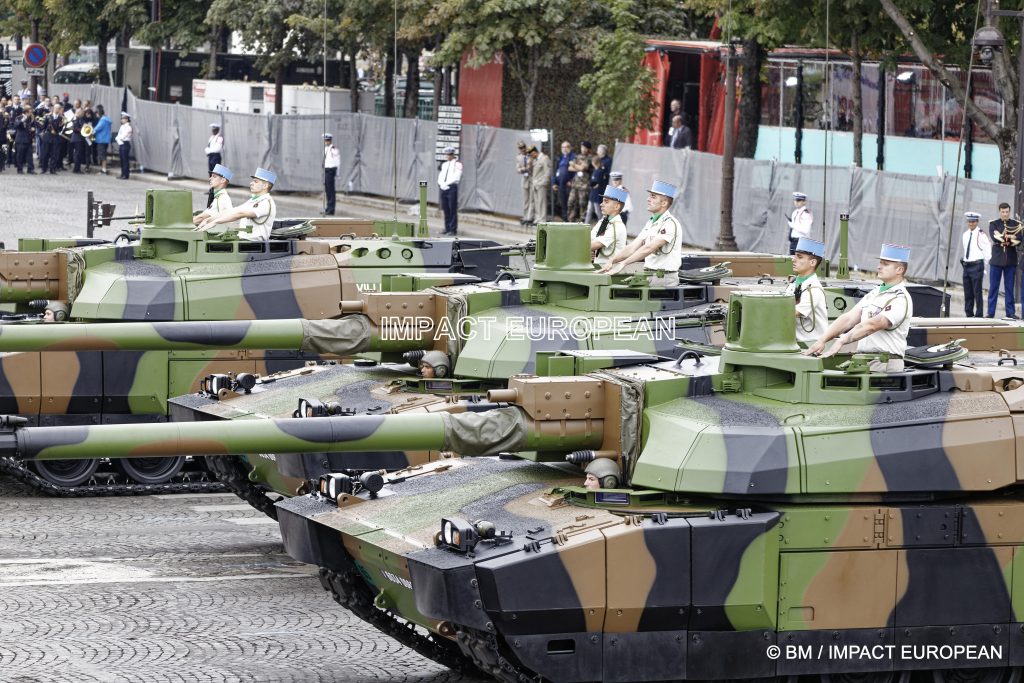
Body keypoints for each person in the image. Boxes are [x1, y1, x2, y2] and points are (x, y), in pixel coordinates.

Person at [804, 244, 913, 372]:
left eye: (885, 264)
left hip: (885, 363)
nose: (879, 266)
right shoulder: (876, 292)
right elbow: (849, 318)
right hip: (866, 361)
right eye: (880, 263)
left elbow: (872, 325)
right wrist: (822, 340)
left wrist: (842, 340)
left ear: (899, 270)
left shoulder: (900, 298)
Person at [598, 180, 682, 286]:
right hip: (651, 275)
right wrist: (612, 261)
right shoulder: (651, 222)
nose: (648, 199)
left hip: (664, 278)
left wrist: (624, 263)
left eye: (653, 196)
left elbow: (649, 248)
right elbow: (633, 246)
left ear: (664, 203)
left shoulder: (670, 224)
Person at [194, 167, 277, 241]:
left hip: (252, 243)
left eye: (255, 182)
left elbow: (240, 214)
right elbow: (232, 211)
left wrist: (215, 222)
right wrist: (208, 220)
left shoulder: (266, 202)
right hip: (244, 241)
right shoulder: (253, 200)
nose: (251, 183)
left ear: (265, 185)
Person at [785, 236, 828, 344]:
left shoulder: (814, 289)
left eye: (799, 257)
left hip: (811, 344)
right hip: (797, 342)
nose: (793, 259)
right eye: (795, 256)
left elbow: (794, 312)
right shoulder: (794, 283)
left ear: (812, 262)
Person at [988, 202, 1020, 318]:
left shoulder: (1016, 224)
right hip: (996, 260)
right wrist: (1011, 238)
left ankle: (1010, 313)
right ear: (999, 212)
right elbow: (994, 238)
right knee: (993, 288)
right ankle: (990, 312)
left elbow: (1019, 240)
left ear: (1009, 212)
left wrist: (1006, 238)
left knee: (1009, 288)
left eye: (1007, 212)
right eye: (1003, 212)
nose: (1005, 214)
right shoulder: (994, 224)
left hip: (1010, 260)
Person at [590, 185, 628, 267]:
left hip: (610, 271)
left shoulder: (617, 227)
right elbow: (589, 239)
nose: (601, 204)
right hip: (599, 268)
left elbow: (594, 245)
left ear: (616, 206)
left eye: (606, 201)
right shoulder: (603, 221)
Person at [437, 146, 462, 235]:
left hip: (451, 188)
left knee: (452, 209)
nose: (448, 156)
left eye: (450, 154)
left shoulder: (457, 164)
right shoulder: (444, 164)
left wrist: (446, 184)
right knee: (446, 209)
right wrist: (441, 184)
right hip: (443, 188)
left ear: (453, 154)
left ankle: (452, 229)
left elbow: (456, 176)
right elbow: (441, 175)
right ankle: (447, 228)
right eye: (447, 154)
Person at [567, 141, 593, 223]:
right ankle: (571, 220)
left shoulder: (590, 157)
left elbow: (583, 168)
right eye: (582, 147)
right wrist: (578, 166)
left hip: (584, 185)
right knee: (571, 202)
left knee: (582, 204)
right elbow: (569, 168)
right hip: (575, 184)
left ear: (588, 149)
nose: (583, 149)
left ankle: (582, 221)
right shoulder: (577, 156)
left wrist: (574, 165)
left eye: (585, 148)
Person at [587, 144, 612, 223]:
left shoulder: (608, 161)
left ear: (602, 151)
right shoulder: (596, 163)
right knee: (590, 209)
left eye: (598, 150)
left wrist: (602, 176)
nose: (597, 152)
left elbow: (607, 174)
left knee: (599, 208)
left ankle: (602, 224)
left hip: (601, 188)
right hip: (594, 190)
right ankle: (586, 223)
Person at [527, 145, 551, 226]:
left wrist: (543, 183)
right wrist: (529, 163)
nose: (531, 156)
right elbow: (532, 172)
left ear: (534, 152)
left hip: (541, 184)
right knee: (537, 202)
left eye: (531, 154)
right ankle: (537, 219)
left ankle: (542, 219)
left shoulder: (544, 158)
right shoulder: (535, 160)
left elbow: (547, 172)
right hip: (535, 184)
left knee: (542, 202)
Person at [552, 140, 574, 221]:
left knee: (570, 203)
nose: (564, 149)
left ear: (570, 148)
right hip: (560, 185)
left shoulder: (573, 157)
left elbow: (575, 171)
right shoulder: (560, 158)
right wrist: (554, 183)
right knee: (562, 203)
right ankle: (565, 219)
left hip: (568, 185)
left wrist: (572, 181)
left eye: (566, 147)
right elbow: (555, 171)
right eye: (563, 147)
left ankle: (570, 219)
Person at [515, 140, 533, 225]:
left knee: (532, 199)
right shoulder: (518, 157)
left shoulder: (530, 154)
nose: (522, 149)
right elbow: (517, 169)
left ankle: (531, 217)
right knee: (525, 200)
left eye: (523, 147)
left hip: (532, 178)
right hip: (525, 179)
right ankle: (526, 216)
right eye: (520, 148)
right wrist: (522, 169)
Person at [323, 133, 340, 215]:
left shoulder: (334, 149)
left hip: (331, 170)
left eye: (327, 140)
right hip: (326, 170)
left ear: (330, 140)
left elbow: (337, 162)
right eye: (325, 140)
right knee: (327, 189)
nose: (326, 142)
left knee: (331, 190)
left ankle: (331, 209)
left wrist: (337, 173)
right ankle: (328, 207)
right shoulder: (326, 149)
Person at [93, 105, 112, 175]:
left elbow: (96, 129)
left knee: (102, 155)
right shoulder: (107, 119)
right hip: (105, 140)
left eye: (97, 114)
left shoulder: (103, 121)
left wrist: (91, 130)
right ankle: (103, 168)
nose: (96, 115)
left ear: (98, 113)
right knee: (103, 154)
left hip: (101, 140)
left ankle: (104, 169)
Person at [115, 112, 132, 179]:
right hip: (121, 143)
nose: (121, 120)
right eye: (121, 118)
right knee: (122, 160)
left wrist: (119, 138)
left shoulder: (129, 127)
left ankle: (126, 174)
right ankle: (122, 173)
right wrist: (118, 139)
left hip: (125, 143)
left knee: (125, 160)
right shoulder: (122, 126)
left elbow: (123, 136)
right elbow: (118, 136)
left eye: (123, 118)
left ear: (127, 119)